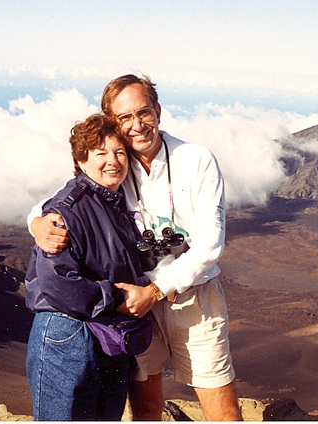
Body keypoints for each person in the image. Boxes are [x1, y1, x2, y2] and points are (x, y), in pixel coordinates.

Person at [27, 74, 242, 421]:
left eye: (144, 112)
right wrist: (37, 223)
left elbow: (210, 245)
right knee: (144, 407)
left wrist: (156, 291)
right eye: (125, 118)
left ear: (158, 110)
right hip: (134, 305)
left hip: (191, 296)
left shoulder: (195, 160)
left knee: (221, 405)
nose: (137, 125)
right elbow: (58, 201)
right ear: (113, 123)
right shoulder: (117, 161)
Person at [25, 113, 152, 421]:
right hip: (67, 335)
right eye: (101, 153)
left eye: (120, 152)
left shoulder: (116, 202)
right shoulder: (66, 210)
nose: (113, 161)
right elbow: (58, 282)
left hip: (107, 334)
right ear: (81, 161)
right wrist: (118, 298)